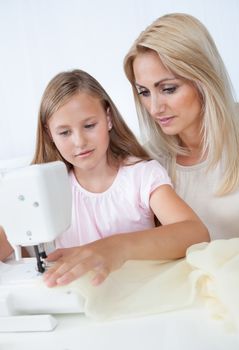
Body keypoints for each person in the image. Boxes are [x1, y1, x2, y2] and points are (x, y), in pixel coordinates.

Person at [25, 68, 209, 287]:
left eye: (89, 125)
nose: (79, 141)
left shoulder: (142, 175)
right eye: (64, 133)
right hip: (80, 299)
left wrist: (115, 247)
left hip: (139, 292)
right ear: (49, 135)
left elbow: (195, 233)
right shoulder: (45, 189)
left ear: (108, 118)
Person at [124, 13, 239, 241]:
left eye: (168, 89)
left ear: (203, 79)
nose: (155, 108)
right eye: (144, 92)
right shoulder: (148, 161)